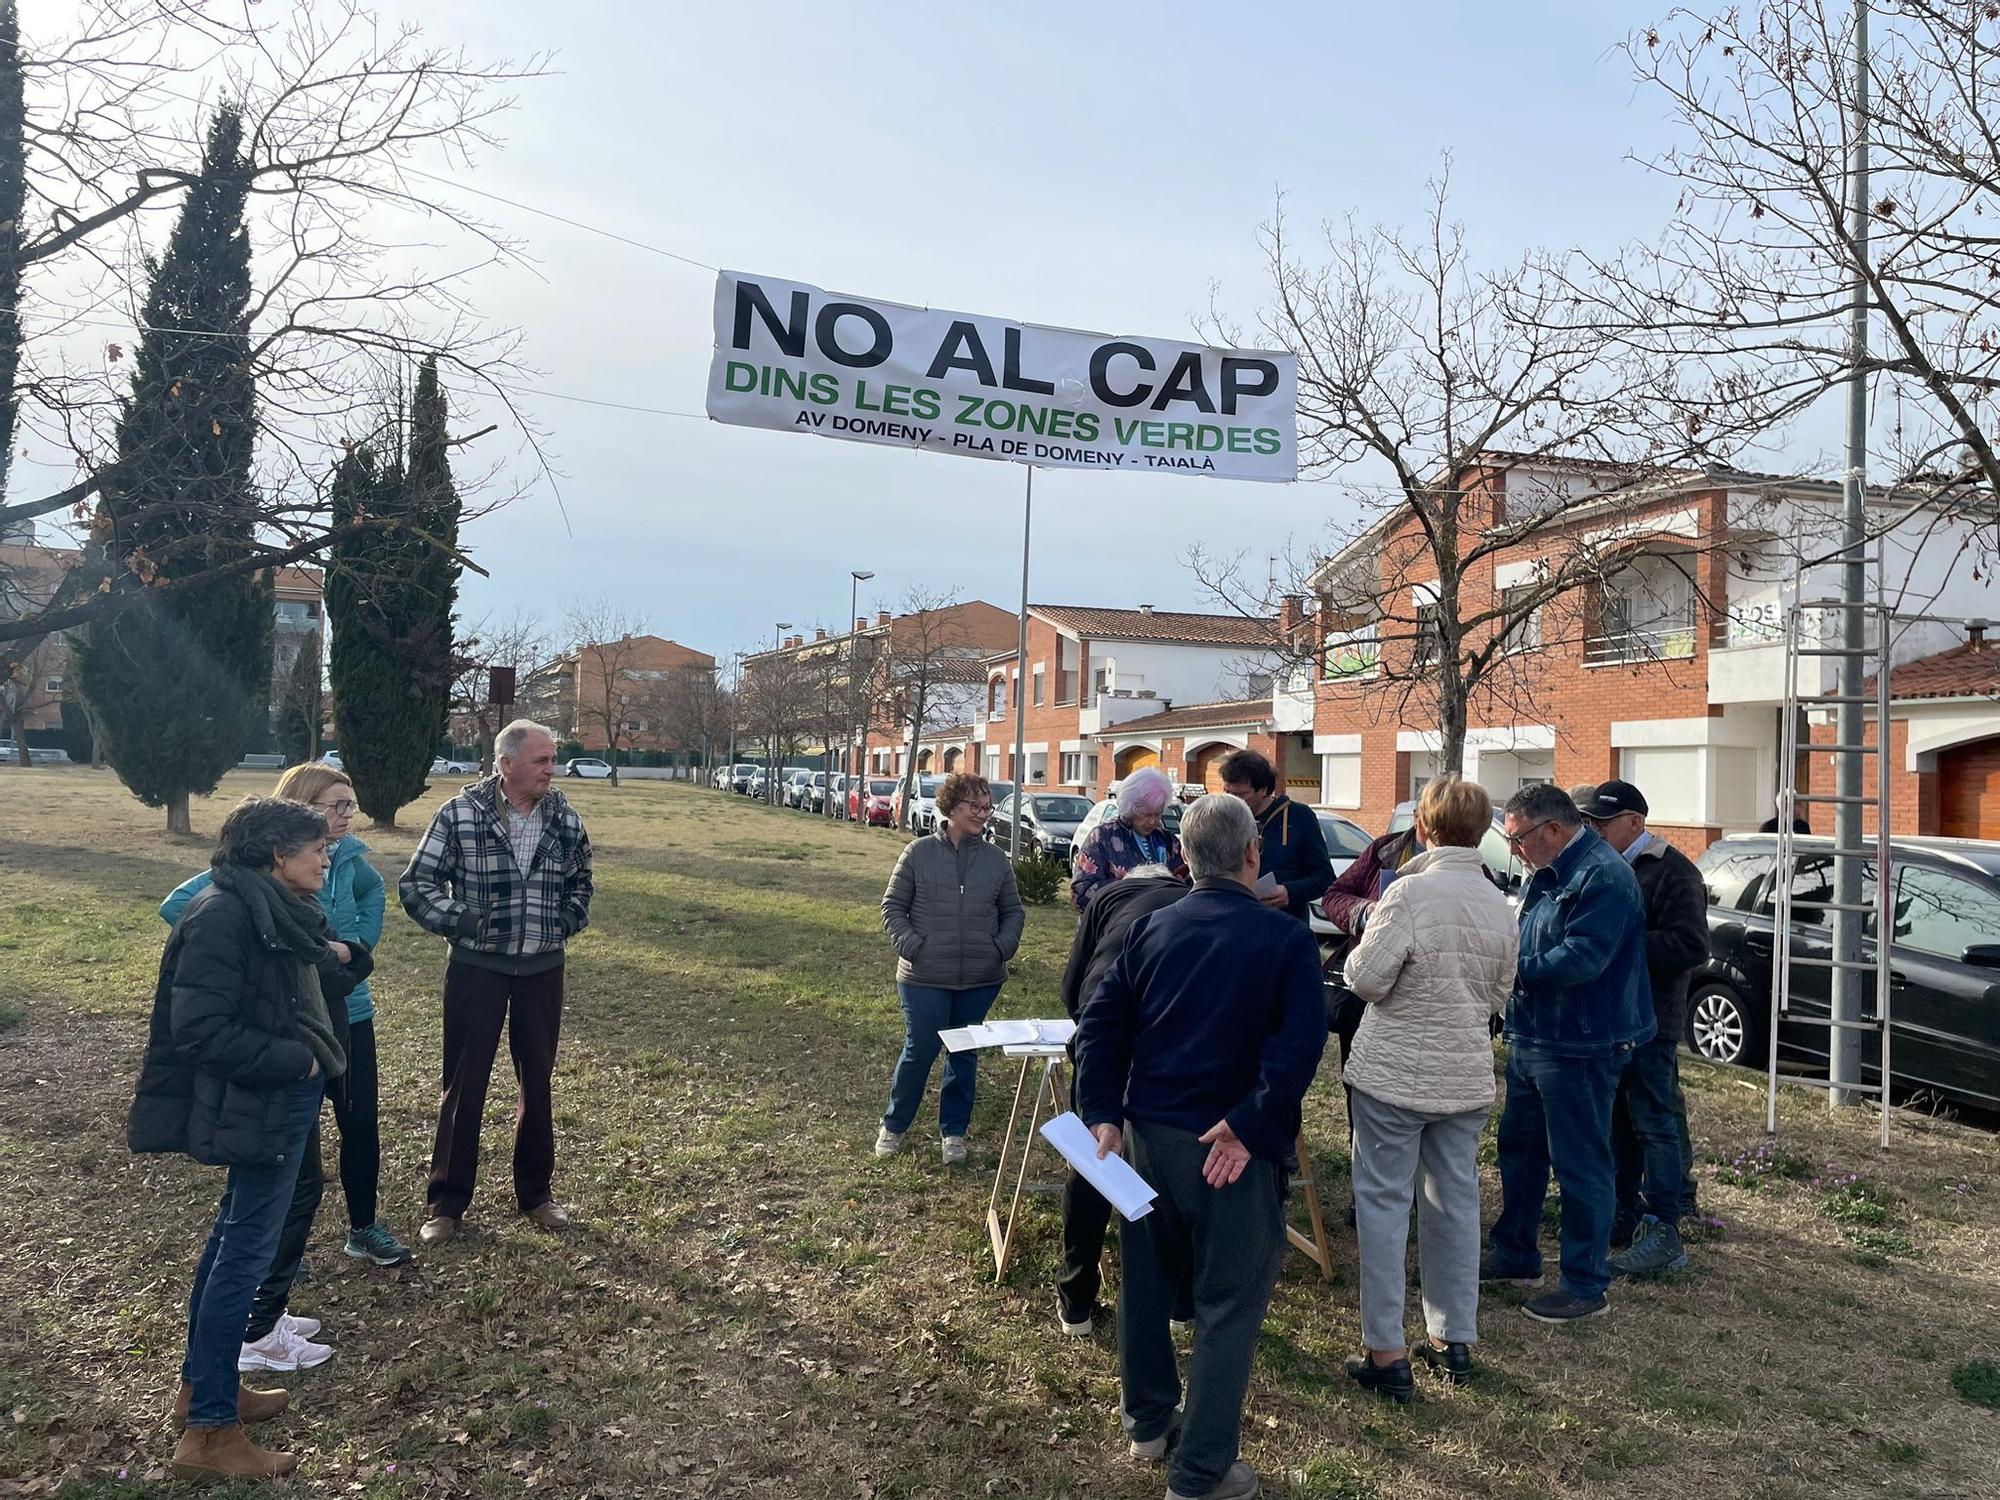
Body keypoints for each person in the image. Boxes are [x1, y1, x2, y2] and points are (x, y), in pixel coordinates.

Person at [1076, 794, 1325, 1500]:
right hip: (1227, 1150)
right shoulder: (1284, 940)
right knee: (1227, 1308)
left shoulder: (1151, 927)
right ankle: (1199, 1471)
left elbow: (1100, 1025)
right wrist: (1252, 1123)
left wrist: (1103, 1112)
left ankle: (1149, 1423)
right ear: (1253, 855)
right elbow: (1299, 1047)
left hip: (1154, 1140)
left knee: (1146, 1287)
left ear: (1182, 857)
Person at [128, 798, 372, 1482]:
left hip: (277, 1100)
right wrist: (298, 1062)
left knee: (233, 1246)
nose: (326, 857)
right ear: (276, 856)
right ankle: (208, 1437)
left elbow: (298, 985)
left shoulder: (268, 905)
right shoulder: (224, 914)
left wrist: (349, 962)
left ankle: (202, 1390)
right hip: (261, 1101)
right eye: (316, 848)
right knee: (244, 1256)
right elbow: (200, 1029)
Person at [160, 765, 409, 1374]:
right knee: (266, 1209)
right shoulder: (232, 903)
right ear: (283, 843)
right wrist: (295, 1048)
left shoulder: (324, 874)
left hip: (326, 1028)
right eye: (332, 814)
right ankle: (250, 1337)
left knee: (307, 1176)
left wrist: (351, 948)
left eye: (349, 809)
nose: (339, 836)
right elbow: (199, 1018)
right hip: (281, 1058)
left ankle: (257, 1326)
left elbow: (361, 910)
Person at [1336, 777, 1516, 1400]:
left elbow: (1365, 979)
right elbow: (1499, 995)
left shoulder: (1408, 893)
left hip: (1394, 1074)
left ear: (1427, 828)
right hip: (1464, 1074)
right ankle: (1452, 1337)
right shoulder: (1499, 904)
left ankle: (1386, 1350)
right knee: (1456, 1205)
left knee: (1385, 1208)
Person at [400, 719, 594, 1244]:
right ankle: (446, 1203)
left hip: (542, 970)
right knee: (463, 1085)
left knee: (538, 1082)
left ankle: (536, 1195)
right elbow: (416, 883)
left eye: (552, 759)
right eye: (541, 761)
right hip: (476, 969)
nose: (551, 769)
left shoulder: (565, 818)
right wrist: (462, 921)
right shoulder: (460, 815)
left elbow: (582, 881)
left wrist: (566, 921)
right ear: (506, 764)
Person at [1484, 784, 1654, 1323]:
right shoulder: (1550, 869)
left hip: (1580, 1044)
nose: (1514, 850)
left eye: (1518, 840)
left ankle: (1585, 1283)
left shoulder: (1603, 876)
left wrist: (1508, 973)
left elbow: (1583, 958)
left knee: (1580, 1164)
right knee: (1520, 1152)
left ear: (1552, 830)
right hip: (1535, 1036)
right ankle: (1516, 1253)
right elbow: (1529, 934)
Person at [1577, 781, 1708, 1277]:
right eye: (1588, 823)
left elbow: (1692, 945)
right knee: (1615, 1120)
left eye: (1601, 824)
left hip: (1652, 1021)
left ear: (1634, 822)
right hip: (1609, 1020)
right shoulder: (1600, 867)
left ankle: (1663, 1225)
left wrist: (1622, 943)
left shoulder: (1673, 871)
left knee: (1655, 1122)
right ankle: (1622, 1209)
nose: (1593, 831)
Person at [1053, 861, 1189, 1335]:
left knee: (1094, 1164)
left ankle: (1077, 1302)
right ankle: (1177, 1301)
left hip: (1102, 1033)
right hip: (1168, 1044)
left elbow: (1072, 989)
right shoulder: (1187, 900)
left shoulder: (1106, 898)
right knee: (1170, 1166)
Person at [876, 770, 1026, 1165]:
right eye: (974, 806)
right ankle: (894, 1126)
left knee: (964, 1055)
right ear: (951, 807)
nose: (982, 814)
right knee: (920, 1050)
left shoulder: (996, 860)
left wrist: (1001, 948)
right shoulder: (918, 852)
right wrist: (913, 946)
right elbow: (892, 907)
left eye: (987, 806)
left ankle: (953, 1134)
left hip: (980, 979)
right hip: (923, 976)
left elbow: (1013, 911)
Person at [1219, 748, 1332, 923]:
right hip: (1234, 924)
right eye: (1228, 793)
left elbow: (1325, 878)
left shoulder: (1299, 816)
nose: (1233, 801)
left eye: (1240, 795)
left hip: (1285, 926)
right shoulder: (1223, 818)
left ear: (1263, 789)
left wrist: (1290, 892)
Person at [1070, 766, 1184, 911]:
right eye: (1146, 814)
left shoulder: (1168, 841)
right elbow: (1080, 896)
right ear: (1130, 808)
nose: (1153, 822)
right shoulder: (1102, 837)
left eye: (1158, 814)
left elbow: (1186, 886)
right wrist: (1130, 884)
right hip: (1114, 927)